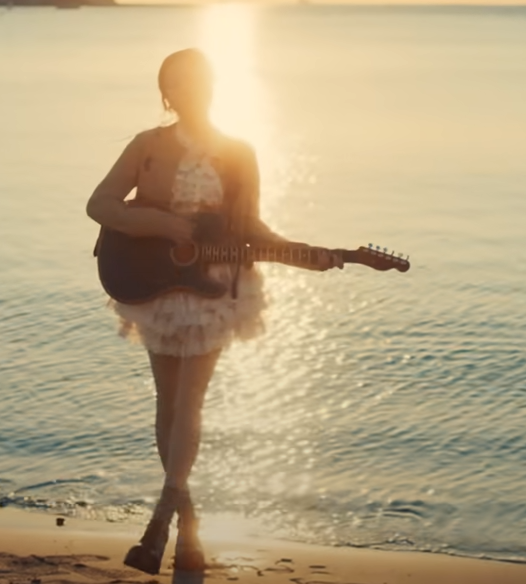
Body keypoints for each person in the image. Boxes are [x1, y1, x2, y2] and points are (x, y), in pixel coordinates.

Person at [85, 48, 340, 574]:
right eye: (178, 84)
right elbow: (100, 205)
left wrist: (311, 256)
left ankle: (163, 518)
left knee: (189, 403)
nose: (190, 91)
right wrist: (166, 227)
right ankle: (189, 524)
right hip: (155, 284)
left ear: (213, 87)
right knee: (168, 404)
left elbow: (251, 230)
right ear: (166, 93)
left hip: (215, 289)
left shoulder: (239, 152)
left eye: (199, 81)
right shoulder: (146, 147)